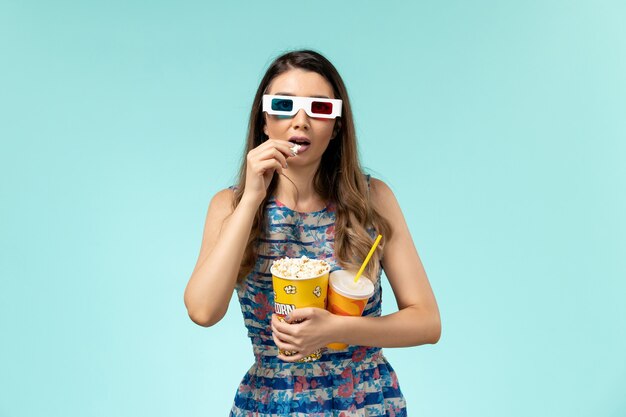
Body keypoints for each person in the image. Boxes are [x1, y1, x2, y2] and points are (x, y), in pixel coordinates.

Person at [184, 49, 441, 416]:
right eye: (284, 105)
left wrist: (336, 329)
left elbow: (427, 322)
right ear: (264, 119)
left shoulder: (374, 200)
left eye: (319, 109)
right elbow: (203, 310)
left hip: (365, 402)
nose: (300, 121)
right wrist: (254, 195)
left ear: (336, 126)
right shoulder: (229, 206)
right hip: (274, 402)